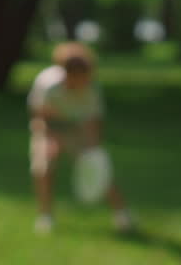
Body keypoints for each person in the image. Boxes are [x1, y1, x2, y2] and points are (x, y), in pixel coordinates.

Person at [28, 41, 135, 234]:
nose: (85, 81)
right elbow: (40, 116)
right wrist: (50, 141)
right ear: (67, 74)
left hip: (77, 129)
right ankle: (45, 217)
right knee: (43, 168)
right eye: (80, 78)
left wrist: (93, 149)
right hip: (49, 127)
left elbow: (93, 121)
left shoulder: (92, 88)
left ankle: (122, 215)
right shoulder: (48, 84)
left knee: (98, 168)